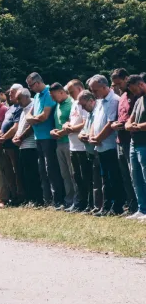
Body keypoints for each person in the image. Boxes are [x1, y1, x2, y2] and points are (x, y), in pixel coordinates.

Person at [25, 72, 65, 209]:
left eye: (31, 85)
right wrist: (33, 119)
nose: (30, 88)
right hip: (38, 137)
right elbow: (28, 114)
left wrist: (33, 119)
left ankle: (57, 200)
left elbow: (44, 116)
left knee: (51, 170)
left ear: (37, 83)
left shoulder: (48, 92)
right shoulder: (36, 96)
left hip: (48, 137)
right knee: (42, 170)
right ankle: (47, 200)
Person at [88, 74, 125, 216]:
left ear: (104, 87)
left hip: (110, 145)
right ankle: (107, 205)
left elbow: (110, 124)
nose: (93, 93)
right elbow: (95, 121)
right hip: (101, 146)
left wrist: (97, 138)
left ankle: (117, 206)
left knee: (113, 177)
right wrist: (92, 135)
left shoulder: (113, 100)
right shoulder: (99, 101)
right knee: (105, 177)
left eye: (95, 90)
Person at [111, 68, 138, 214]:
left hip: (131, 139)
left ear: (127, 78)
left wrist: (123, 124)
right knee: (125, 175)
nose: (117, 87)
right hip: (119, 140)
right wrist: (116, 124)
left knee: (134, 174)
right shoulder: (121, 96)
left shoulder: (135, 95)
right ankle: (132, 205)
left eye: (119, 83)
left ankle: (140, 205)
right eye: (115, 84)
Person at [62, 80, 90, 212]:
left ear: (79, 89)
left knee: (85, 176)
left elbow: (85, 123)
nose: (69, 94)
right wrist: (66, 125)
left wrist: (71, 128)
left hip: (82, 146)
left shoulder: (83, 103)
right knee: (76, 176)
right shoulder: (74, 103)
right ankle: (78, 202)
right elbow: (71, 120)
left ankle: (85, 203)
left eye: (71, 92)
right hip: (73, 145)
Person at [12, 88, 42, 206]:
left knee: (32, 174)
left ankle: (36, 199)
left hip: (31, 146)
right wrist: (16, 136)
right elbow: (20, 126)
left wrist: (21, 137)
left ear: (26, 97)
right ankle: (30, 198)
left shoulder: (33, 105)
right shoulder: (24, 108)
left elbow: (31, 126)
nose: (17, 101)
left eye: (19, 98)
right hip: (22, 146)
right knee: (25, 174)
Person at [0, 84, 24, 204]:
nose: (9, 94)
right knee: (8, 171)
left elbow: (16, 127)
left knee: (16, 171)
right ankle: (13, 195)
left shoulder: (20, 108)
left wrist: (4, 137)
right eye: (9, 92)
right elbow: (4, 126)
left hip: (13, 145)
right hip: (5, 145)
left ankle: (20, 196)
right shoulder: (10, 108)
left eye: (12, 92)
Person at [49, 82, 76, 208]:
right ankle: (69, 200)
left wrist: (61, 132)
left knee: (72, 173)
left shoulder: (71, 103)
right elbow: (59, 123)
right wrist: (53, 131)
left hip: (69, 142)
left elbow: (73, 121)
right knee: (65, 174)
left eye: (54, 96)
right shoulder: (58, 106)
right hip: (59, 143)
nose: (53, 99)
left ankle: (77, 199)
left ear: (61, 92)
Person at [77, 90, 104, 213]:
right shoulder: (89, 113)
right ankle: (94, 205)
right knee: (93, 180)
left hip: (98, 150)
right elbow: (84, 129)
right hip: (89, 151)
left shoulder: (98, 112)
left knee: (99, 180)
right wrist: (81, 135)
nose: (83, 108)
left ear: (91, 101)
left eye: (84, 105)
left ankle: (100, 206)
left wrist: (89, 136)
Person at [125, 75, 146, 220]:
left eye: (134, 90)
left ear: (141, 84)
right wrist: (128, 125)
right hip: (134, 143)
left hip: (144, 144)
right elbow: (129, 120)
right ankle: (141, 209)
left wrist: (137, 127)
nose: (134, 93)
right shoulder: (138, 100)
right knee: (136, 178)